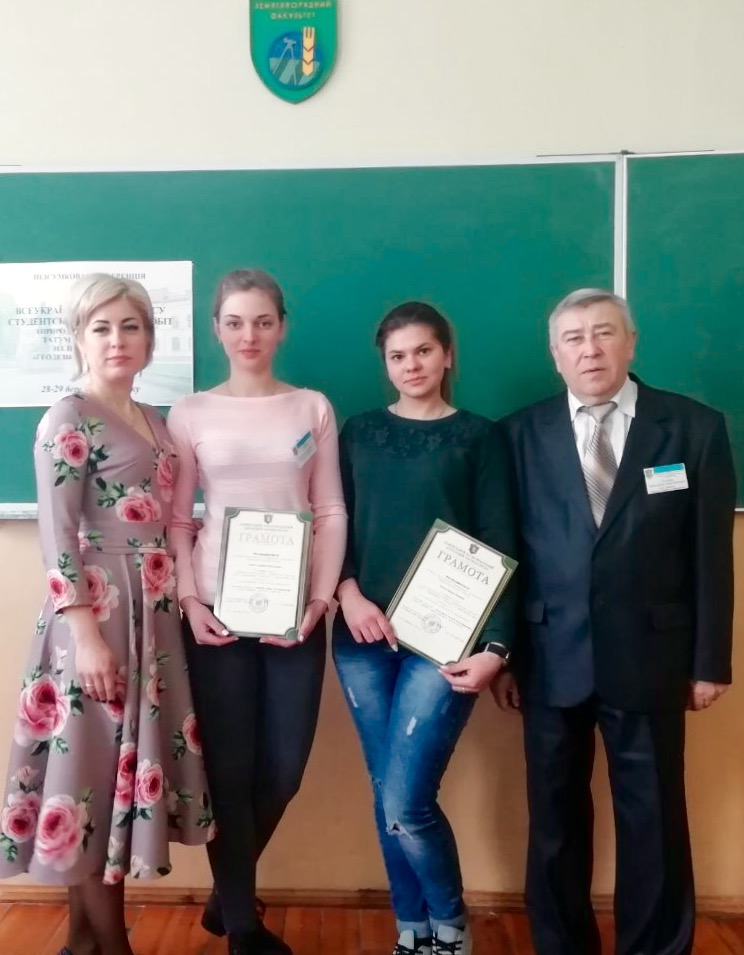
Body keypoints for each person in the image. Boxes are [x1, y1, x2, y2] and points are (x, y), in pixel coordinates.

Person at [494, 288, 736, 955]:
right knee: (554, 823)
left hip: (653, 655)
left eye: (604, 333)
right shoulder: (517, 435)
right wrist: (504, 653)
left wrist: (710, 661)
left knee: (654, 819)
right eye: (573, 338)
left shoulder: (693, 427)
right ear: (555, 354)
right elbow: (505, 551)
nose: (590, 349)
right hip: (548, 655)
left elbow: (711, 554)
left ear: (631, 342)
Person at [0, 274, 214, 955]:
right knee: (89, 781)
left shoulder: (156, 417)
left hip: (152, 615)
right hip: (96, 615)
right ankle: (112, 946)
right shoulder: (67, 416)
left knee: (100, 778)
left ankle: (83, 945)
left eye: (131, 326)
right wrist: (86, 634)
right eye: (102, 327)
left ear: (150, 337)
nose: (117, 339)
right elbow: (57, 534)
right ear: (79, 338)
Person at [167, 268, 347, 955]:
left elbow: (329, 509)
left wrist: (320, 598)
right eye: (236, 322)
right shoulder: (190, 413)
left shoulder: (312, 407)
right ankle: (242, 925)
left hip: (296, 611)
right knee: (230, 771)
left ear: (282, 328)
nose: (250, 335)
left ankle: (228, 893)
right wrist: (190, 599)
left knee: (284, 769)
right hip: (215, 611)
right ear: (216, 329)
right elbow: (178, 519)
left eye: (263, 322)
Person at [332, 302, 517, 955]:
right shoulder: (358, 432)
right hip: (362, 637)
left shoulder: (480, 437)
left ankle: (451, 925)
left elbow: (500, 541)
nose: (411, 365)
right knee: (385, 789)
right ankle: (412, 930)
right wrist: (347, 592)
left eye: (423, 351)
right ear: (385, 364)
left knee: (408, 799)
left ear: (447, 355)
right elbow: (333, 523)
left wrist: (499, 647)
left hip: (446, 643)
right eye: (397, 355)